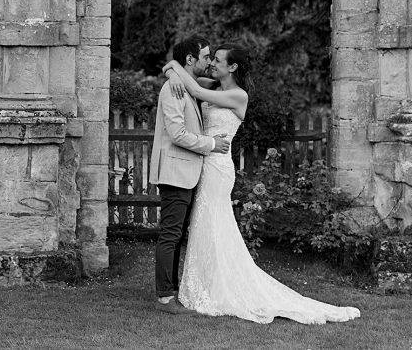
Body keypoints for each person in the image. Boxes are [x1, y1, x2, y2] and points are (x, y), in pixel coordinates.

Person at [162, 44, 361, 324]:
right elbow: (176, 68)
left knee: (214, 221)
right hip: (204, 162)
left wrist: (176, 73)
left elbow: (193, 90)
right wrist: (171, 72)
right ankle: (205, 282)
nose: (212, 64)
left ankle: (220, 286)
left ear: (233, 67)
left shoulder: (237, 95)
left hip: (218, 166)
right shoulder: (213, 85)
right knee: (204, 223)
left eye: (218, 61)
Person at [149, 35, 231, 315]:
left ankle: (170, 290)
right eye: (206, 57)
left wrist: (171, 68)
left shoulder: (186, 84)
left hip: (188, 171)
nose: (209, 62)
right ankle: (164, 297)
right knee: (170, 235)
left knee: (178, 233)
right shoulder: (172, 90)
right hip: (175, 172)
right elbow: (177, 134)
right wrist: (211, 145)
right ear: (190, 60)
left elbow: (202, 86)